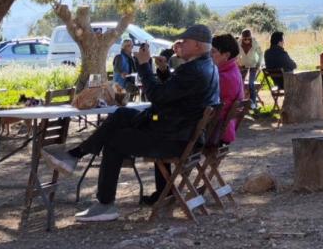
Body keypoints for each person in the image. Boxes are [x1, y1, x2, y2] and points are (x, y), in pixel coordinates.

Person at [42, 24, 220, 222]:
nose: (180, 45)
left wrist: (144, 66)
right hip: (180, 132)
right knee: (122, 114)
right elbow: (178, 93)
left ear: (196, 45)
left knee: (116, 140)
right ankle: (75, 155)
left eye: (185, 41)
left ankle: (104, 204)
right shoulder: (206, 66)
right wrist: (162, 72)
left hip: (173, 137)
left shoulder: (193, 70)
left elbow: (157, 96)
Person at [210, 33, 244, 144]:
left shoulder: (224, 77)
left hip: (214, 131)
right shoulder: (232, 70)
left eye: (213, 51)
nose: (209, 55)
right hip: (221, 128)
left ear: (226, 55)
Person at [237, 29, 263, 109]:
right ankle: (240, 104)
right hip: (243, 66)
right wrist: (238, 63)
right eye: (245, 39)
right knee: (240, 84)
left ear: (251, 37)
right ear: (242, 38)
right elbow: (235, 54)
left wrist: (258, 64)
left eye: (249, 38)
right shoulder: (238, 43)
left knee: (251, 84)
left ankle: (253, 104)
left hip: (253, 66)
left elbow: (260, 53)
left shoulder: (254, 42)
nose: (247, 40)